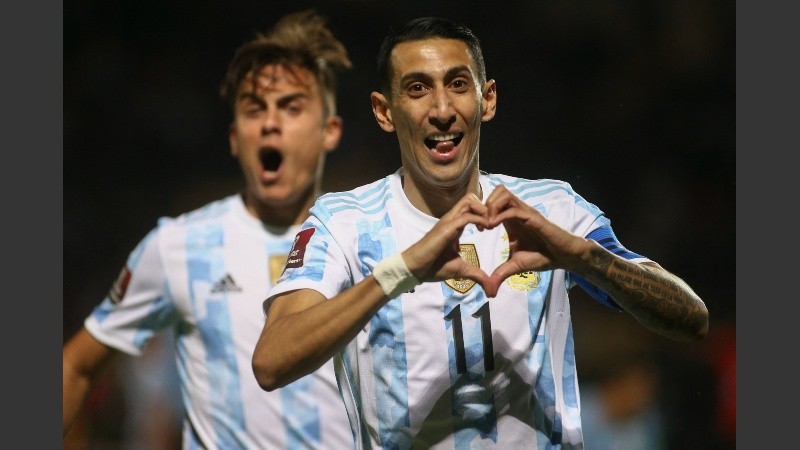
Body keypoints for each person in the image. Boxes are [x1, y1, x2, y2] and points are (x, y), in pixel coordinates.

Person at [252, 16, 709, 449]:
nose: (442, 109)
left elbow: (692, 319)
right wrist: (400, 271)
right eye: (417, 89)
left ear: (486, 99)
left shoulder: (551, 208)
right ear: (384, 111)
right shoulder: (344, 221)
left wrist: (583, 257)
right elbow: (272, 360)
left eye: (457, 84)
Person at [63, 9, 356, 449]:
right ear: (236, 136)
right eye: (254, 108)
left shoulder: (367, 239)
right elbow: (77, 365)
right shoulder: (179, 245)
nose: (271, 122)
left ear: (329, 131)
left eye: (291, 107)